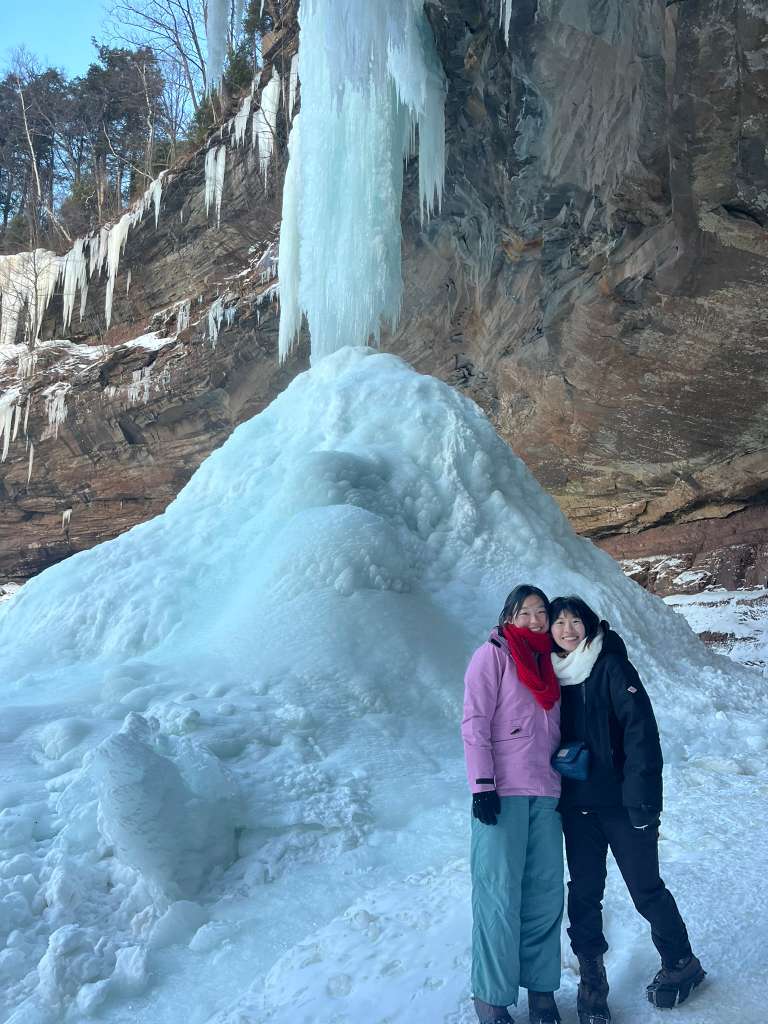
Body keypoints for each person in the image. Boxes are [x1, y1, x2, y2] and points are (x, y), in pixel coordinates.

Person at [549, 595, 706, 1024]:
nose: (567, 629)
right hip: (576, 808)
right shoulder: (550, 675)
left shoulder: (611, 666)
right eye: (558, 622)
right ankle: (592, 981)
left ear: (588, 625)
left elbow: (642, 735)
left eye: (574, 620)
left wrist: (644, 803)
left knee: (646, 889)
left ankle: (681, 962)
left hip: (621, 805)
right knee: (583, 895)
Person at [461, 585, 564, 1024]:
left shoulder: (552, 662)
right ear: (509, 616)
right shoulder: (493, 655)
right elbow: (474, 720)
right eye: (526, 612)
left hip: (548, 791)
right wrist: (482, 785)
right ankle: (491, 997)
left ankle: (541, 991)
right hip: (502, 793)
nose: (536, 620)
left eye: (542, 612)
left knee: (544, 893)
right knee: (498, 895)